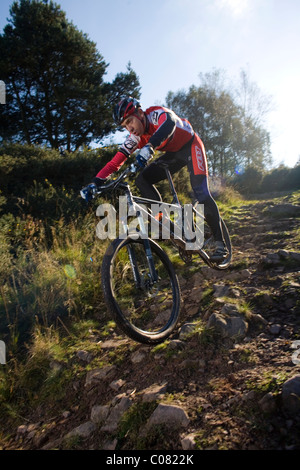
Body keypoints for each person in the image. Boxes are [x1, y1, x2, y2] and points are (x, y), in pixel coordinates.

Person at [81, 96, 227, 261]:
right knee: (142, 179)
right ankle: (164, 222)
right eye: (125, 126)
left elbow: (170, 122)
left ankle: (220, 244)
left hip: (191, 145)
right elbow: (115, 163)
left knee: (200, 191)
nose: (130, 128)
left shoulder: (155, 114)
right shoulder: (135, 137)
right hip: (173, 154)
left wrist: (150, 146)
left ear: (140, 113)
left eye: (130, 121)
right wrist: (94, 183)